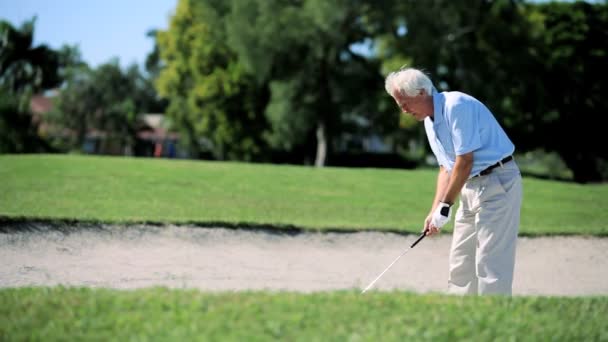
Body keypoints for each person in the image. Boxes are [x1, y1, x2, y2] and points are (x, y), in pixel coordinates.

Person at [385, 67, 523, 296]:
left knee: (490, 262)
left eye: (404, 102)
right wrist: (435, 210)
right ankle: (461, 318)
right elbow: (446, 168)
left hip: (498, 182)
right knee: (461, 261)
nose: (403, 109)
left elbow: (465, 160)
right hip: (469, 187)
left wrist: (446, 205)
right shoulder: (429, 121)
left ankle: (493, 320)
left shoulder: (455, 106)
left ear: (421, 92)